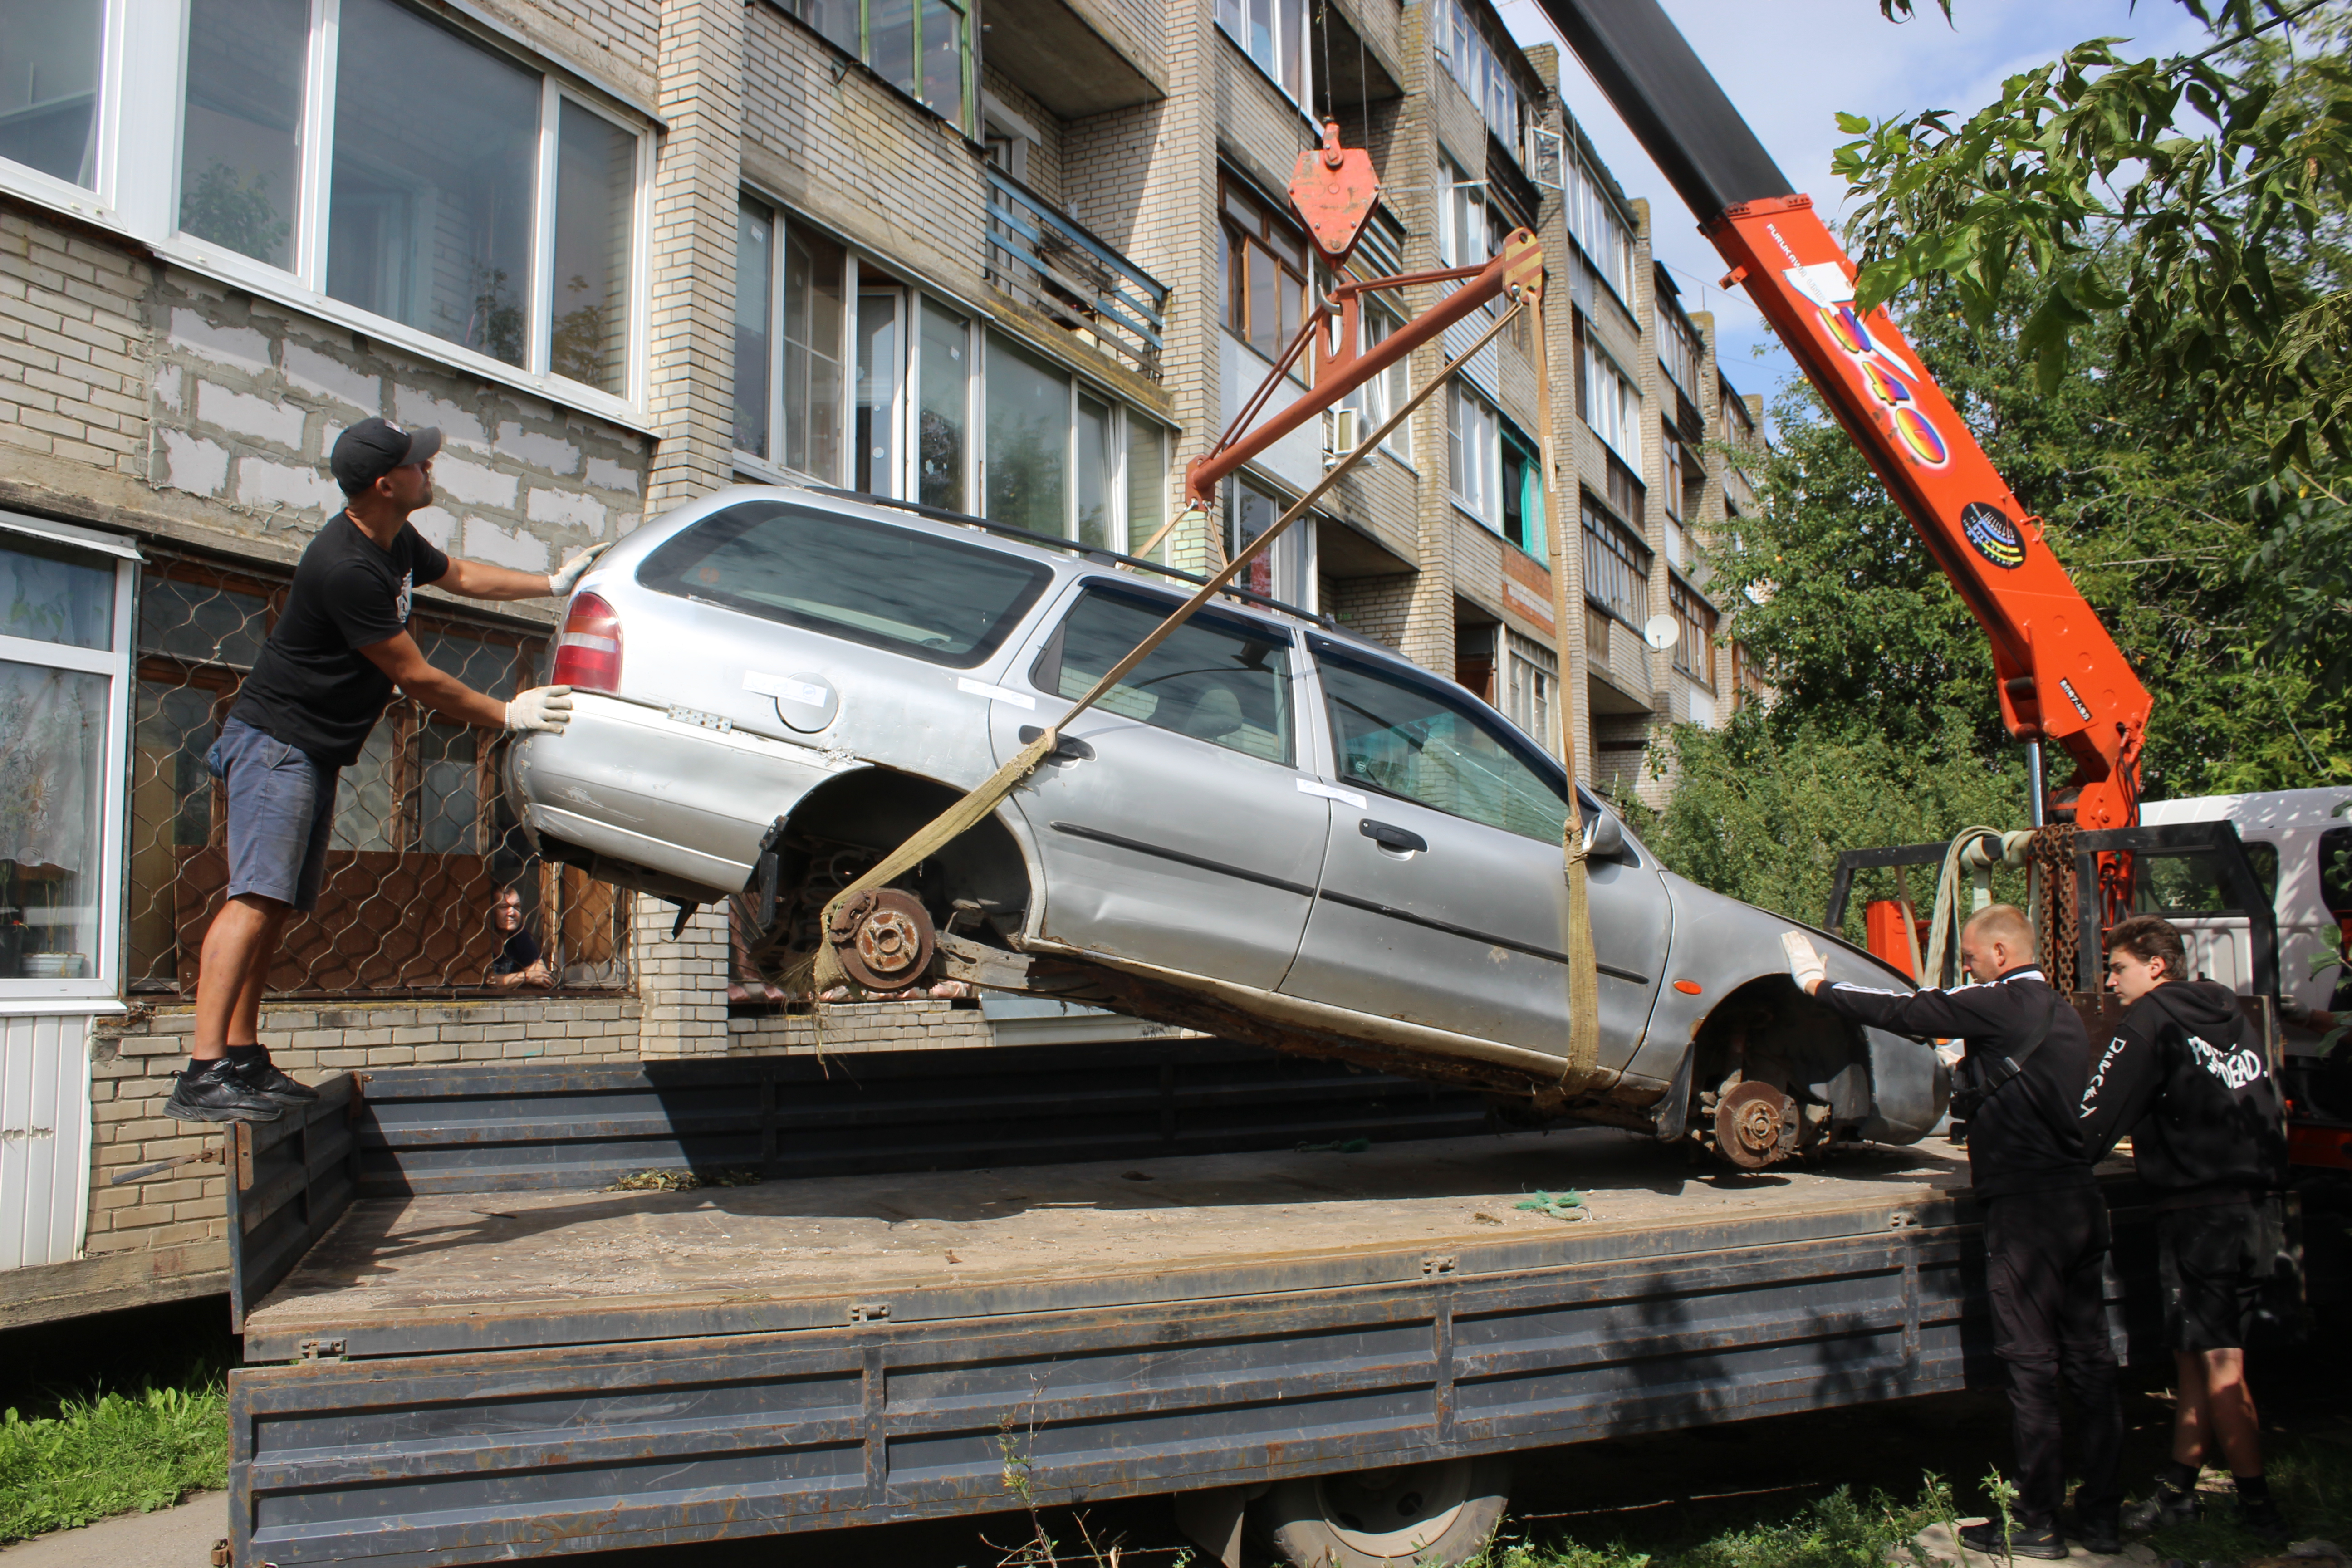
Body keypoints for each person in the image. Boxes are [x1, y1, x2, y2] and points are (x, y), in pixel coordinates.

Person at [164, 418, 605, 1124]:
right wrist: (508, 714)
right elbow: (417, 678)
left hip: (308, 750)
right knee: (252, 899)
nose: (432, 469)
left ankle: (242, 1056)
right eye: (419, 464)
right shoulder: (347, 567)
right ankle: (203, 1070)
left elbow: (458, 575)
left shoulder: (392, 538)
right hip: (275, 745)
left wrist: (551, 582)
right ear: (386, 482)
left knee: (274, 904)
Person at [1785, 906, 2119, 1558]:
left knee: (2030, 1368)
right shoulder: (2059, 1015)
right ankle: (2103, 1515)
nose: (1964, 965)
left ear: (2000, 951)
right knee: (2090, 1362)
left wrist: (1818, 986)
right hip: (2079, 1202)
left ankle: (2037, 1522)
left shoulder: (1996, 1000)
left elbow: (1906, 1010)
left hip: (2025, 1212)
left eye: (1969, 956)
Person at [2079, 914, 2291, 1541]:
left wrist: (2055, 1154)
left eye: (2118, 968)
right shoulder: (2230, 1015)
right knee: (2196, 1359)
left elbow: (2100, 1107)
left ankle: (2260, 1511)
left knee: (2221, 1364)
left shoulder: (2149, 1018)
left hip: (2199, 1216)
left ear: (2157, 966)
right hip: (2255, 1210)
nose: (2111, 982)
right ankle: (2178, 1491)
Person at [487, 885, 553, 990]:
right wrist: (526, 977)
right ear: (490, 911)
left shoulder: (519, 934)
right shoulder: (481, 939)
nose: (512, 913)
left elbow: (541, 975)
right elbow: (486, 981)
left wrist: (512, 980)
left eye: (517, 906)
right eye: (504, 907)